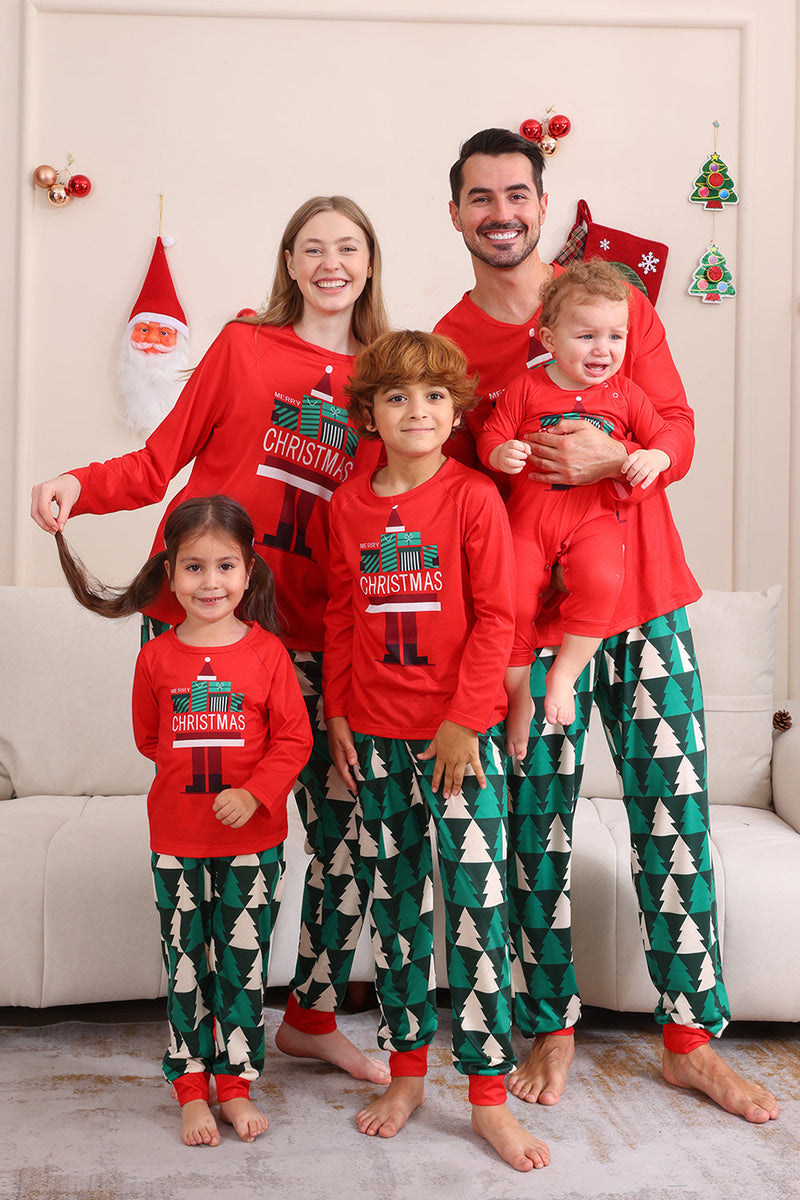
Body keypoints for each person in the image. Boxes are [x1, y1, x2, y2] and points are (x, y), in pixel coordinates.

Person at [436, 127, 779, 1123]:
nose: (500, 212)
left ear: (540, 202)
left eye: (516, 194)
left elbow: (672, 430)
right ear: (453, 214)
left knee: (670, 812)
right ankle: (550, 1022)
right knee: (531, 833)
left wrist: (615, 460)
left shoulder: (618, 304)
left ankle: (687, 1041)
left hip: (646, 603)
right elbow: (457, 491)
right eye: (478, 198)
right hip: (526, 633)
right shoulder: (453, 343)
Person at [30, 195, 392, 1087]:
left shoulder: (383, 381)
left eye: (348, 247)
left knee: (346, 839)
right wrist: (78, 481)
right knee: (213, 846)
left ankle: (309, 1018)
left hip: (311, 639)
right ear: (289, 261)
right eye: (313, 247)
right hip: (202, 633)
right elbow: (158, 462)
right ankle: (206, 1056)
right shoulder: (242, 347)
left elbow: (391, 514)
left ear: (371, 261)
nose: (331, 262)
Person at [323, 329, 549, 1173]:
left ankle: (487, 1094)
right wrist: (340, 709)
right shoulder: (348, 505)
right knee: (398, 909)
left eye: (431, 397)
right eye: (395, 397)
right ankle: (408, 1071)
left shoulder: (472, 498)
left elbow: (499, 618)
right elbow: (343, 612)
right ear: (369, 413)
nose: (415, 411)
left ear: (455, 411)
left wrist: (465, 719)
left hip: (459, 740)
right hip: (374, 736)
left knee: (478, 915)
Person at [55, 495, 313, 1147]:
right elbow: (150, 738)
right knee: (186, 965)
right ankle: (191, 1087)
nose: (210, 582)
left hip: (254, 844)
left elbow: (293, 739)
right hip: (176, 839)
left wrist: (254, 793)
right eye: (193, 568)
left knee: (241, 964)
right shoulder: (156, 658)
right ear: (169, 575)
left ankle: (235, 1085)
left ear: (248, 573)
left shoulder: (268, 655)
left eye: (225, 566)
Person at [478, 260, 675, 731]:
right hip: (528, 519)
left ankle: (566, 673)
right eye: (586, 336)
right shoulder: (525, 388)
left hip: (594, 521)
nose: (602, 350)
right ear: (549, 339)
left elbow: (665, 435)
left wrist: (656, 459)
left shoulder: (626, 395)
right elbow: (490, 435)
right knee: (513, 596)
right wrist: (500, 452)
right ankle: (518, 684)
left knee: (604, 581)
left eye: (615, 337)